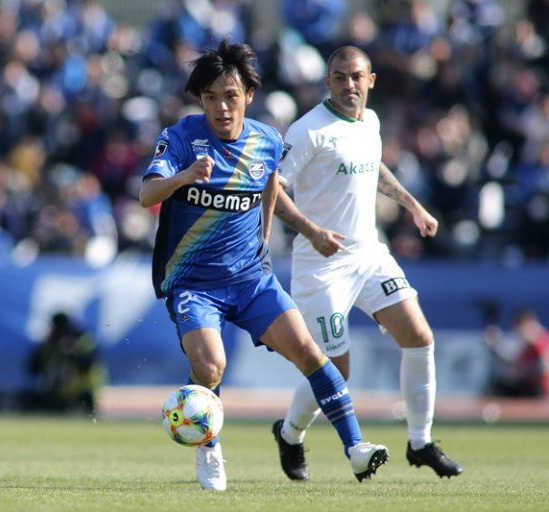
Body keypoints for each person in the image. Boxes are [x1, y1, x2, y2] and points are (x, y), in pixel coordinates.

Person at [139, 39, 388, 492]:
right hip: (195, 283)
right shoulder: (181, 138)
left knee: (311, 352)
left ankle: (356, 448)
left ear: (249, 95)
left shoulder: (267, 140)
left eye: (230, 96)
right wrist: (184, 177)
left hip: (252, 279)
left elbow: (271, 188)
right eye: (211, 97)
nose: (221, 107)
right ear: (201, 100)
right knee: (211, 367)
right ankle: (209, 447)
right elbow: (146, 195)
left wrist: (280, 234)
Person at [273, 45, 463, 481]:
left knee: (419, 336)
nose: (349, 84)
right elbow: (273, 189)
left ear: (370, 80)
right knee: (335, 371)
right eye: (339, 77)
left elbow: (373, 167)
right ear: (328, 82)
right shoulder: (308, 130)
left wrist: (414, 206)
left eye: (356, 76)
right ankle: (289, 432)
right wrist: (312, 231)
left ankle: (420, 443)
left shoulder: (371, 122)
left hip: (369, 255)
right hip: (322, 266)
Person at [25, 312, 106, 415]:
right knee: (29, 400)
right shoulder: (47, 345)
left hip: (82, 394)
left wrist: (71, 352)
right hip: (55, 394)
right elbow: (32, 370)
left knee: (85, 403)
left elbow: (87, 365)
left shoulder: (84, 341)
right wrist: (42, 348)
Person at [483, 307, 549, 398]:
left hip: (540, 391)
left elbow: (544, 368)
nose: (517, 332)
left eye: (518, 327)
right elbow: (515, 365)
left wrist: (524, 371)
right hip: (528, 388)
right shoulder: (527, 346)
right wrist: (496, 346)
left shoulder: (542, 341)